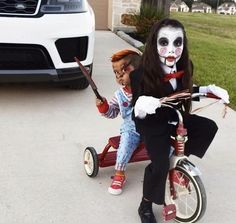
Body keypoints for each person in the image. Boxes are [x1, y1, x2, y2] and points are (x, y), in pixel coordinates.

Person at [130, 18, 229, 223]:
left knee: (208, 127)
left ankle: (177, 160)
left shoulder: (186, 66)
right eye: (164, 42)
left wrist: (206, 90)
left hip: (174, 116)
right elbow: (136, 111)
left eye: (177, 43)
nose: (171, 50)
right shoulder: (140, 74)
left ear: (183, 44)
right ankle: (145, 204)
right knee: (159, 165)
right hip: (152, 122)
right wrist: (141, 106)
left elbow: (184, 91)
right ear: (154, 43)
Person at [96, 49, 142, 195]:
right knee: (126, 141)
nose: (119, 77)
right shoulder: (119, 95)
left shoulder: (149, 88)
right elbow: (112, 113)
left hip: (151, 126)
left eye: (123, 72)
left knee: (168, 142)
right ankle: (119, 173)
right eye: (116, 73)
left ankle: (172, 167)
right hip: (132, 128)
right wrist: (103, 107)